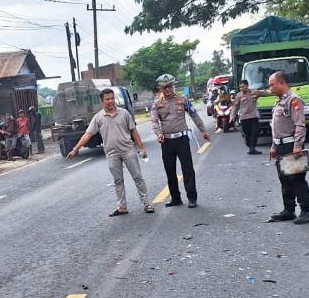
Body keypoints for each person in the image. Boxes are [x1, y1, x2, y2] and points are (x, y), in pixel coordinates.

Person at [67, 88, 154, 215]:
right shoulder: (98, 117)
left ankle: (147, 203)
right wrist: (76, 149)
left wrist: (141, 148)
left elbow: (133, 131)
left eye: (112, 98)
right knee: (118, 181)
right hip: (112, 153)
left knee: (138, 177)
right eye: (107, 99)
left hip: (128, 149)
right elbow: (88, 134)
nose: (111, 101)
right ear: (102, 101)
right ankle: (122, 207)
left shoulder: (124, 113)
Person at [150, 74, 210, 208]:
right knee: (170, 170)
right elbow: (154, 120)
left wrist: (203, 130)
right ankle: (175, 198)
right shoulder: (156, 104)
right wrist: (158, 133)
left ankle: (192, 198)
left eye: (170, 86)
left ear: (173, 86)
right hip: (166, 141)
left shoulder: (183, 100)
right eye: (164, 87)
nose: (167, 89)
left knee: (187, 169)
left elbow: (194, 115)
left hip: (182, 139)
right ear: (161, 88)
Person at [267, 70, 309, 225]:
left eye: (272, 85)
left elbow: (300, 124)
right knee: (284, 179)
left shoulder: (294, 101)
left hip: (291, 145)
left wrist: (298, 146)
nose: (270, 88)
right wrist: (274, 146)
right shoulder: (279, 102)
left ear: (282, 83)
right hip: (280, 145)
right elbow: (276, 127)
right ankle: (289, 210)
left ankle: (306, 211)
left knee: (297, 180)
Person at [230, 79, 272, 154]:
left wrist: (275, 92)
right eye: (240, 87)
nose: (241, 89)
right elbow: (235, 106)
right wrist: (232, 116)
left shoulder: (254, 92)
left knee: (255, 133)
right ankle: (250, 146)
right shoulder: (239, 95)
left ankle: (252, 148)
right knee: (247, 134)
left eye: (242, 87)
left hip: (254, 117)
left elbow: (265, 93)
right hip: (244, 118)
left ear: (247, 86)